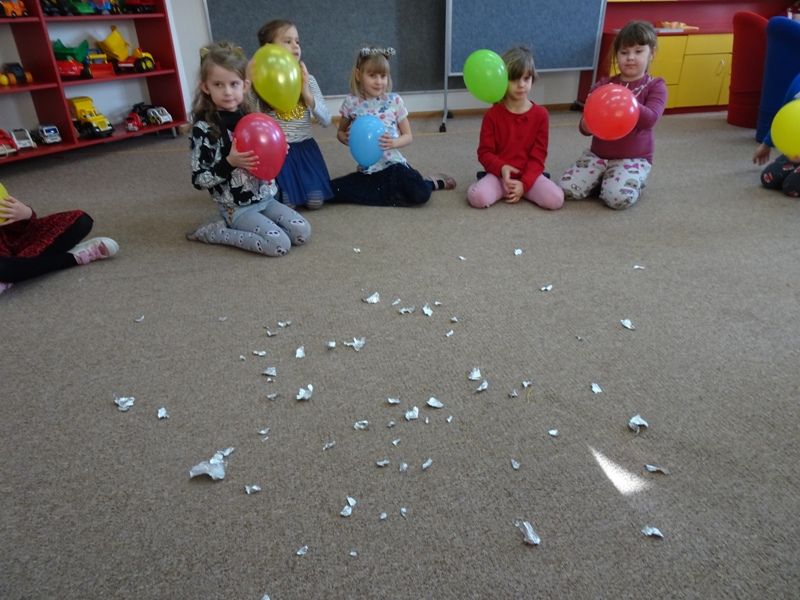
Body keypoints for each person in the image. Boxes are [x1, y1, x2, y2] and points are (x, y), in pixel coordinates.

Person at [188, 41, 310, 256]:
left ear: (244, 85)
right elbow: (199, 180)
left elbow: (266, 158)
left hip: (267, 198)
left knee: (302, 232)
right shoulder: (203, 129)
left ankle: (262, 226)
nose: (227, 92)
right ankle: (216, 232)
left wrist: (278, 150)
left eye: (234, 84)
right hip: (236, 207)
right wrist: (230, 162)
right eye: (218, 84)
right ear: (206, 87)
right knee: (278, 245)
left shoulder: (254, 118)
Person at [558, 21, 667, 210]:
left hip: (633, 158)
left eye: (638, 51)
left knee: (616, 199)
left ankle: (629, 180)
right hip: (598, 155)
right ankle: (604, 178)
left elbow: (650, 120)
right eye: (624, 52)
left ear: (652, 54)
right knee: (566, 188)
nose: (630, 58)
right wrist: (586, 124)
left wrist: (626, 102)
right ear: (616, 55)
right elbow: (585, 126)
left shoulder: (655, 86)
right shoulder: (603, 86)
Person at [329, 46, 456, 207]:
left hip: (394, 167)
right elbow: (340, 132)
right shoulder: (351, 102)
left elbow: (408, 136)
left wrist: (393, 143)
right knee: (331, 190)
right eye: (372, 75)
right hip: (367, 172)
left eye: (383, 76)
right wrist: (344, 137)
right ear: (358, 75)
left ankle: (430, 183)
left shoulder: (394, 101)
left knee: (420, 194)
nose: (379, 81)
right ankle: (390, 195)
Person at [467, 46, 563, 210]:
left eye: (526, 78)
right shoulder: (492, 115)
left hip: (529, 176)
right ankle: (492, 184)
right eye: (514, 79)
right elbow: (484, 152)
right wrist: (501, 168)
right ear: (502, 79)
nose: (521, 85)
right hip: (499, 175)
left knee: (556, 200)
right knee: (478, 197)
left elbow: (538, 156)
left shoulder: (541, 115)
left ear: (532, 78)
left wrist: (524, 184)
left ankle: (520, 189)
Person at [254, 19, 333, 210]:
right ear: (269, 49)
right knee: (287, 204)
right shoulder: (261, 81)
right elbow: (254, 123)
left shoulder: (308, 79)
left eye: (297, 41)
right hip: (279, 152)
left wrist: (307, 95)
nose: (295, 46)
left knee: (315, 201)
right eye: (287, 41)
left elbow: (326, 120)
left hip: (305, 149)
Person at [0, 185, 118, 296]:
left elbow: (23, 225)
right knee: (4, 268)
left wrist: (26, 213)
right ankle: (71, 258)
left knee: (81, 222)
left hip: (16, 239)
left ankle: (15, 273)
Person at [752, 72, 800, 198]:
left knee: (791, 187)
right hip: (797, 148)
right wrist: (766, 144)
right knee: (768, 178)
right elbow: (784, 117)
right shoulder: (798, 81)